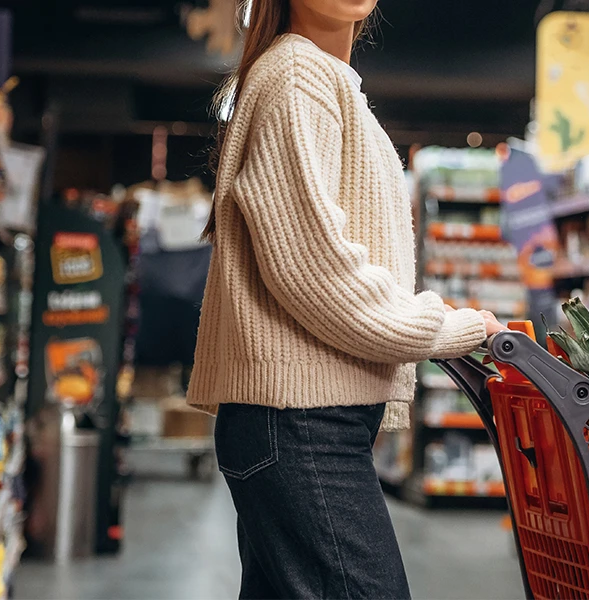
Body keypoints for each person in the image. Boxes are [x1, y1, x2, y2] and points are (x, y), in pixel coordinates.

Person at [186, 1, 506, 598]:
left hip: (300, 420)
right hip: (300, 422)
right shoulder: (296, 76)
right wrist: (447, 327)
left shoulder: (323, 81)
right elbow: (317, 274)